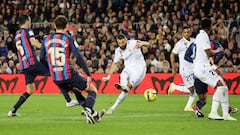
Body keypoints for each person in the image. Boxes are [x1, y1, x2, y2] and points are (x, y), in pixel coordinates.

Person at [40, 15, 104, 124]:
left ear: (54, 25)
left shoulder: (46, 39)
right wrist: (88, 74)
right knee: (92, 89)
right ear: (67, 27)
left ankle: (94, 115)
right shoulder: (68, 39)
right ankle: (88, 110)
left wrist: (51, 69)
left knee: (76, 91)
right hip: (67, 73)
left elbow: (41, 58)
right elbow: (78, 57)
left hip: (55, 77)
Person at [7, 15, 51, 117]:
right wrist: (46, 47)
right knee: (56, 73)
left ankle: (13, 110)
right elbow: (33, 42)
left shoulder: (17, 34)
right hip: (32, 63)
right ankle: (71, 99)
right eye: (30, 21)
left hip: (25, 65)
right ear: (27, 21)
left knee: (29, 90)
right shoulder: (28, 31)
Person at [193, 18, 236, 120]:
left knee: (224, 87)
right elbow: (209, 53)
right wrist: (219, 50)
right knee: (220, 87)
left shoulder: (201, 36)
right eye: (212, 25)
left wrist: (213, 66)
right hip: (203, 68)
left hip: (203, 67)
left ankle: (226, 114)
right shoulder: (203, 36)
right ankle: (213, 113)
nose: (213, 26)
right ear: (209, 26)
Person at [102, 33, 150, 114]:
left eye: (123, 42)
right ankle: (123, 86)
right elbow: (115, 63)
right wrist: (108, 76)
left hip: (139, 69)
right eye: (119, 43)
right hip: (129, 67)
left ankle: (113, 107)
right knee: (123, 74)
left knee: (127, 88)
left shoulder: (133, 43)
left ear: (126, 41)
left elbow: (148, 44)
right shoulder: (118, 50)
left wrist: (142, 43)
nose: (121, 45)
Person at [168, 25, 197, 111]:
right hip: (185, 70)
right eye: (185, 32)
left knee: (195, 89)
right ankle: (175, 87)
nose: (186, 34)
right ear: (182, 34)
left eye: (188, 32)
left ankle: (188, 107)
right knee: (192, 89)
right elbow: (172, 54)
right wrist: (173, 68)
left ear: (191, 32)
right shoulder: (180, 44)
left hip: (194, 68)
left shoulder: (194, 41)